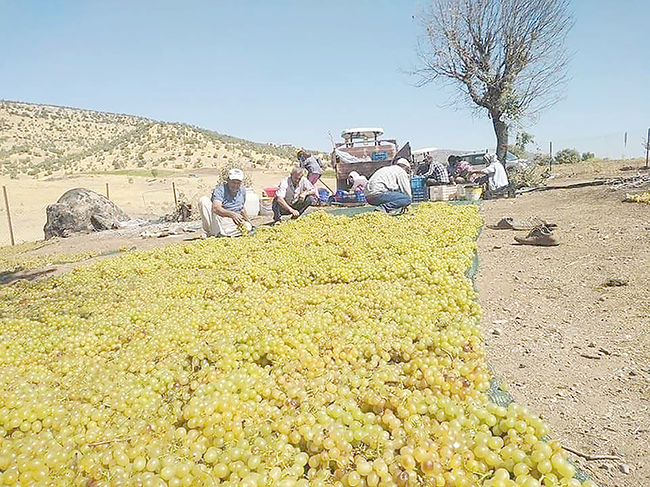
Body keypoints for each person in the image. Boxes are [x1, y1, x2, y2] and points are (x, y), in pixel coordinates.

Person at [198, 168, 252, 237]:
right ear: (228, 181)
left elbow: (241, 208)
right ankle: (213, 232)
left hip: (234, 222)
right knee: (203, 200)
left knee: (248, 226)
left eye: (238, 183)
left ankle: (221, 233)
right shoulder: (220, 190)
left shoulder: (242, 191)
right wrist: (231, 214)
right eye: (233, 182)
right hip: (220, 219)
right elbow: (216, 208)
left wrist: (249, 222)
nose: (235, 185)